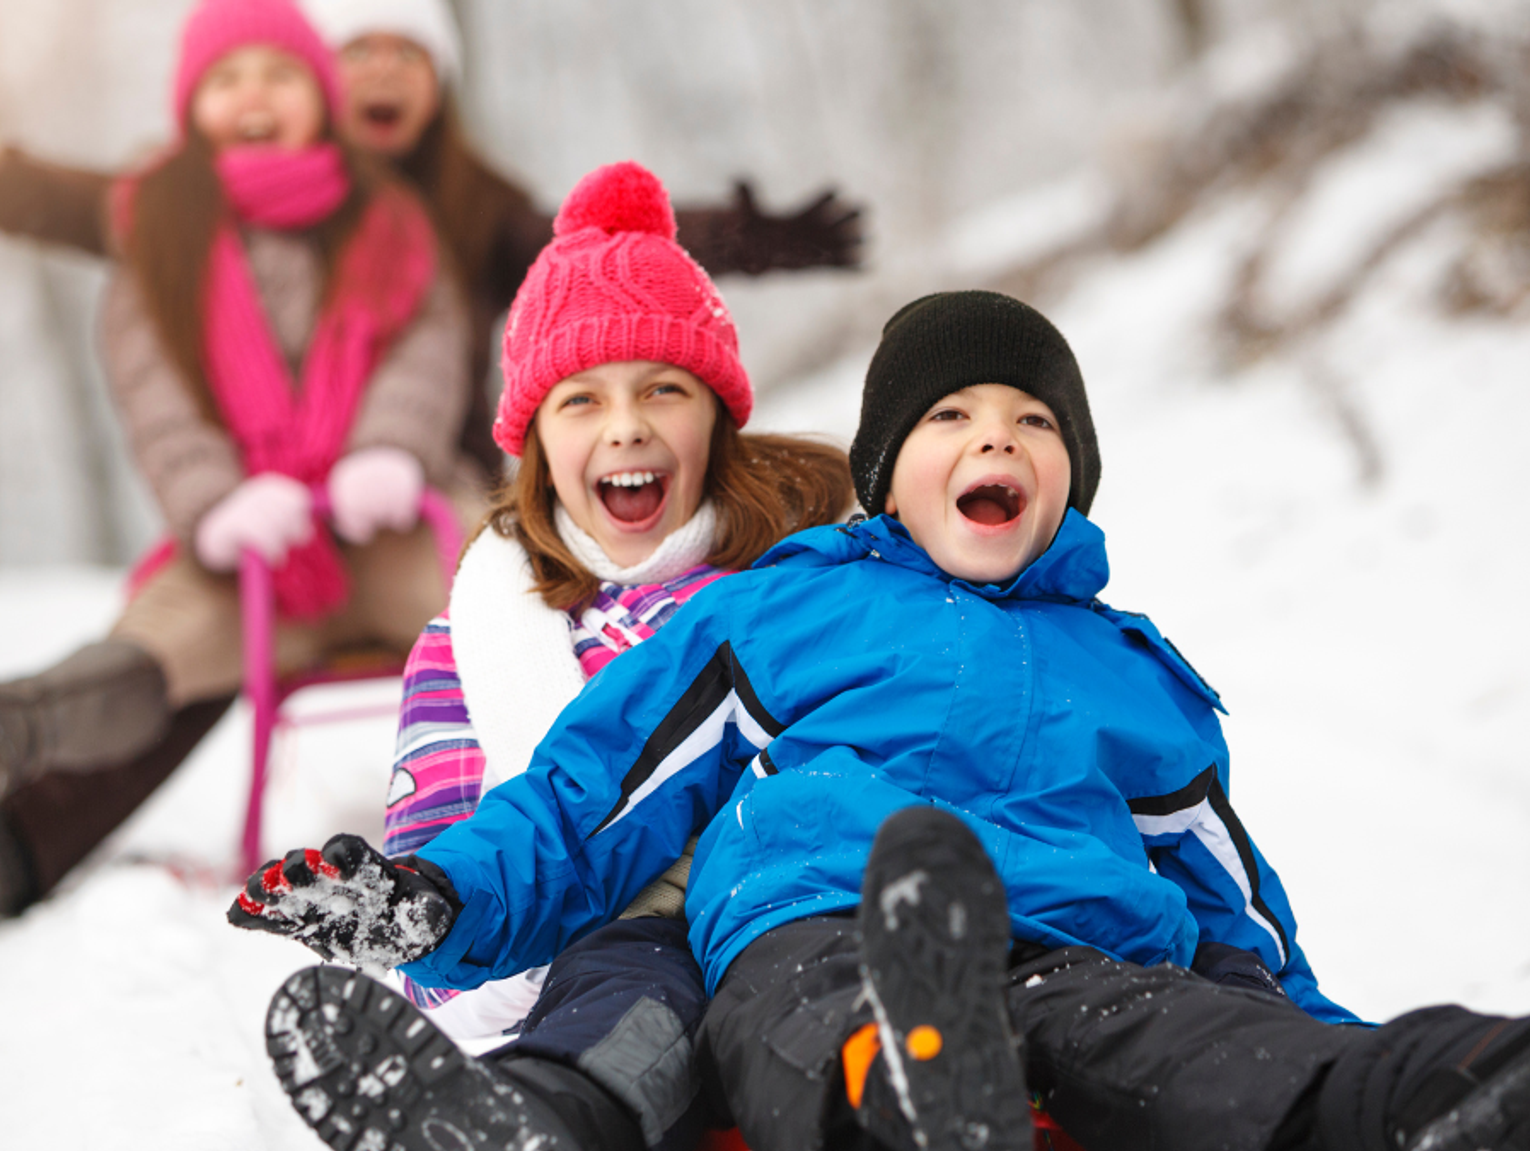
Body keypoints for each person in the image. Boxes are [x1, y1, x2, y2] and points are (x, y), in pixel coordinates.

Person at [232, 291, 1530, 1151]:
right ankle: (894, 1088)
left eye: (1032, 421)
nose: (994, 440)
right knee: (799, 1020)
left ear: (1070, 474)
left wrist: (1311, 1042)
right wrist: (435, 896)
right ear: (886, 473)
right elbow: (596, 788)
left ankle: (1447, 1086)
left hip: (1077, 948)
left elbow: (1234, 912)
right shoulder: (791, 607)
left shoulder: (1134, 672)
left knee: (1203, 1043)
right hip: (821, 923)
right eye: (950, 416)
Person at [240, 157, 853, 1151]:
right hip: (597, 960)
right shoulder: (473, 638)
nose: (627, 426)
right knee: (631, 998)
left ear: (716, 416)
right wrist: (409, 907)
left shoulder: (802, 582)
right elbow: (447, 850)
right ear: (532, 438)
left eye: (664, 388)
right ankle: (518, 1123)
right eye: (581, 400)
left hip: (793, 924)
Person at [0, 0, 475, 918]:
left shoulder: (385, 217)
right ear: (192, 107)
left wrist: (389, 445)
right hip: (252, 547)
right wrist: (214, 498)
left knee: (503, 595)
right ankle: (29, 721)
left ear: (321, 96)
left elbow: (425, 339)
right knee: (151, 652)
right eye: (227, 79)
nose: (253, 94)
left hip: (386, 518)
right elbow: (156, 388)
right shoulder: (161, 231)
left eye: (280, 74)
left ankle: (589, 784)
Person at [0, 0, 866, 480]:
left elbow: (591, 245)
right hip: (266, 490)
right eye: (360, 53)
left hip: (436, 475)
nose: (383, 70)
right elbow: (73, 202)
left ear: (437, 87)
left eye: (407, 55)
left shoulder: (471, 206)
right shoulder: (222, 203)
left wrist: (735, 237)